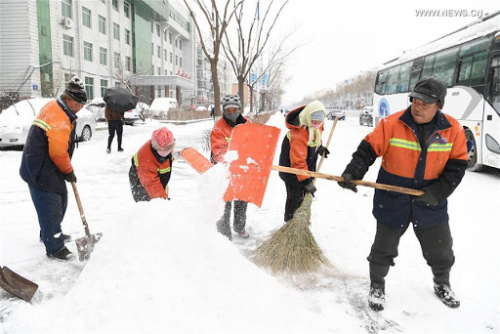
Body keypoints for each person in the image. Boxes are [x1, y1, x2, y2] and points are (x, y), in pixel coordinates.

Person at [338, 76, 468, 311]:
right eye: (415, 100)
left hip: (430, 201)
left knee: (441, 250)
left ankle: (442, 283)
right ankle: (377, 285)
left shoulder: (453, 130)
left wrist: (437, 192)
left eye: (425, 103)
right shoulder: (392, 123)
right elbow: (367, 150)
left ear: (439, 104)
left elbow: (457, 167)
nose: (418, 107)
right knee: (383, 249)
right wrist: (353, 171)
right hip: (392, 198)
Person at [19, 76, 88, 261]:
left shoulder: (57, 107)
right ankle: (55, 247)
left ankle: (49, 232)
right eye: (79, 103)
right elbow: (58, 152)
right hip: (41, 168)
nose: (81, 107)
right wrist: (68, 171)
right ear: (69, 100)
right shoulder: (60, 119)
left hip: (43, 164)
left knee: (61, 200)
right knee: (51, 204)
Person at [278, 100, 330, 222]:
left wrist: (320, 148)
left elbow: (315, 138)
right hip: (291, 170)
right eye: (314, 121)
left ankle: (301, 221)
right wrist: (307, 182)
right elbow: (298, 161)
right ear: (308, 117)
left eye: (319, 121)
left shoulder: (317, 125)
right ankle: (290, 224)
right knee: (295, 198)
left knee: (303, 197)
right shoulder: (299, 131)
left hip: (306, 168)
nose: (317, 123)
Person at [211, 94, 251, 240]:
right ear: (223, 111)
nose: (232, 113)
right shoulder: (218, 128)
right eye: (228, 110)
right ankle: (223, 234)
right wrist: (231, 161)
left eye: (235, 109)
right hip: (224, 170)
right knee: (225, 202)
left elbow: (253, 143)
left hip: (243, 169)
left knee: (242, 199)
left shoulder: (247, 123)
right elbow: (218, 152)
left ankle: (239, 227)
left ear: (240, 109)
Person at [129, 127, 175, 202]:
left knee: (160, 197)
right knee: (147, 204)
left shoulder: (166, 147)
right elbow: (152, 185)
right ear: (157, 147)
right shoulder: (145, 159)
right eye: (167, 149)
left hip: (155, 175)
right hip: (140, 178)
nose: (170, 151)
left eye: (170, 148)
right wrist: (164, 202)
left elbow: (169, 157)